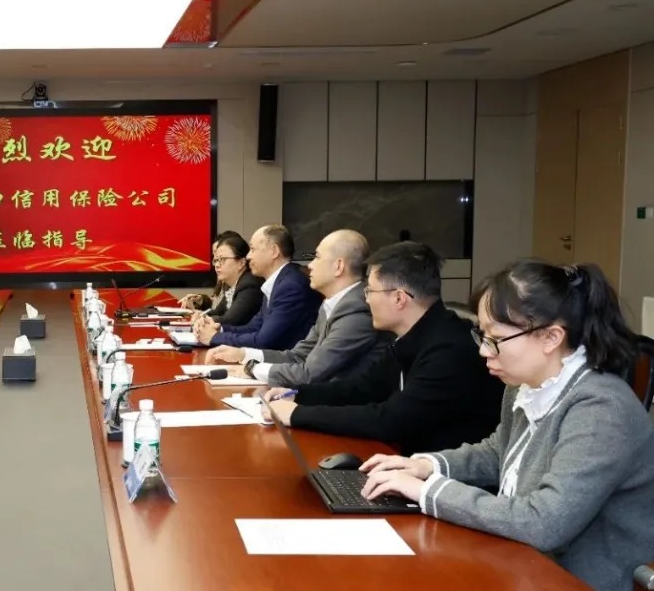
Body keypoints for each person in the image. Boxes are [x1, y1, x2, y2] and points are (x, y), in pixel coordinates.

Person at [360, 260, 654, 591]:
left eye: (496, 338)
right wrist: (426, 465)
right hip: (524, 562)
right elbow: (499, 451)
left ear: (551, 337)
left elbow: (544, 521)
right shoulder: (525, 384)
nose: (484, 351)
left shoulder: (601, 409)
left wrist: (427, 491)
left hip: (579, 579)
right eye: (482, 335)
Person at [261, 241, 503, 455]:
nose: (366, 299)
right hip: (407, 461)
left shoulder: (450, 349)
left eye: (370, 291)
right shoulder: (410, 337)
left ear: (399, 298)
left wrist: (297, 414)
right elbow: (361, 388)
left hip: (443, 476)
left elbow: (391, 419)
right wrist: (297, 394)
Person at [206, 229, 389, 387]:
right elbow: (297, 356)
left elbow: (309, 373)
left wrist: (252, 368)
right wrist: (242, 354)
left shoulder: (356, 310)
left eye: (317, 257)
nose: (310, 265)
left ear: (339, 266)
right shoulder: (332, 304)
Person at [193, 224, 321, 350]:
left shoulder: (290, 286)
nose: (248, 256)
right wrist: (219, 328)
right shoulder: (277, 281)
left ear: (274, 251)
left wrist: (215, 337)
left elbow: (263, 341)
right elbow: (253, 327)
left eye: (253, 249)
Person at [189, 233, 263, 327]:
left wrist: (203, 319)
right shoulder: (230, 285)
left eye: (222, 259)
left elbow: (230, 320)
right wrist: (200, 314)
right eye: (216, 260)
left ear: (241, 263)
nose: (217, 265)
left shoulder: (250, 285)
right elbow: (218, 312)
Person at [179, 230, 242, 311]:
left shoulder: (245, 285)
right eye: (215, 256)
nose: (215, 263)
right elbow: (217, 306)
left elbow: (225, 315)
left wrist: (198, 314)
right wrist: (201, 300)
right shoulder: (223, 281)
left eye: (221, 257)